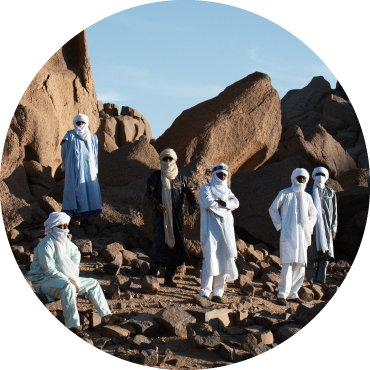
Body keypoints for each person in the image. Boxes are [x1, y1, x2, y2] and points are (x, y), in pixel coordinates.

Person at [28, 212, 111, 334]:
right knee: (68, 287)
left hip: (62, 278)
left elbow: (76, 253)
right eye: (61, 226)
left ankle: (107, 316)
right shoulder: (46, 244)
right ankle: (73, 326)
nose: (64, 229)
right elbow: (49, 270)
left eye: (66, 226)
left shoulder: (64, 242)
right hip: (43, 280)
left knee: (93, 283)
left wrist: (72, 270)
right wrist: (68, 279)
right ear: (53, 227)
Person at [146, 148, 197, 287]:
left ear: (174, 160)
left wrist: (192, 205)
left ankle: (169, 277)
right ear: (161, 160)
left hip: (176, 217)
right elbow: (149, 192)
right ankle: (152, 274)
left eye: (170, 159)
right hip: (160, 215)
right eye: (165, 159)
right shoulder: (155, 176)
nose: (167, 161)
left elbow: (190, 192)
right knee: (158, 242)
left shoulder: (181, 178)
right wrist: (157, 205)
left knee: (175, 245)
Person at [269, 168, 317, 306]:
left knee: (301, 265)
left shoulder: (307, 197)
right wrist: (280, 225)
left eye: (303, 178)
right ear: (293, 178)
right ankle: (282, 294)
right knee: (287, 264)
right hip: (288, 234)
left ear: (306, 180)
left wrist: (309, 226)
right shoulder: (284, 193)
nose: (301, 180)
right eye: (299, 178)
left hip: (302, 235)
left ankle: (293, 293)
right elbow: (273, 209)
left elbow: (314, 213)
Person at [198, 163, 239, 303]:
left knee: (223, 260)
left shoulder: (228, 192)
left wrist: (225, 204)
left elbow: (236, 203)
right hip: (210, 230)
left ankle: (218, 293)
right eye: (219, 174)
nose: (222, 177)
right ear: (213, 175)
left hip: (225, 232)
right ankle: (205, 291)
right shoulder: (206, 188)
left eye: (224, 175)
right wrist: (225, 206)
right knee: (210, 260)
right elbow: (209, 203)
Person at [61, 113, 101, 224]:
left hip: (88, 170)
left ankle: (85, 218)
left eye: (83, 123)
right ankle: (71, 217)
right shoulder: (69, 135)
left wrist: (95, 169)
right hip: (73, 168)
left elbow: (94, 154)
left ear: (87, 123)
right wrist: (65, 164)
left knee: (87, 190)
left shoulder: (92, 138)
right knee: (72, 189)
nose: (81, 125)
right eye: (78, 123)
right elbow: (64, 150)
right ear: (75, 123)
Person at [305, 167, 337, 284]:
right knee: (311, 254)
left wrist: (334, 229)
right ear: (313, 176)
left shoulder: (331, 192)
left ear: (326, 176)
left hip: (327, 228)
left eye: (322, 174)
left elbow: (334, 212)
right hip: (312, 226)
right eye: (317, 174)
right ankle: (310, 279)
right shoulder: (308, 190)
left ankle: (320, 280)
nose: (320, 177)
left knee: (325, 254)